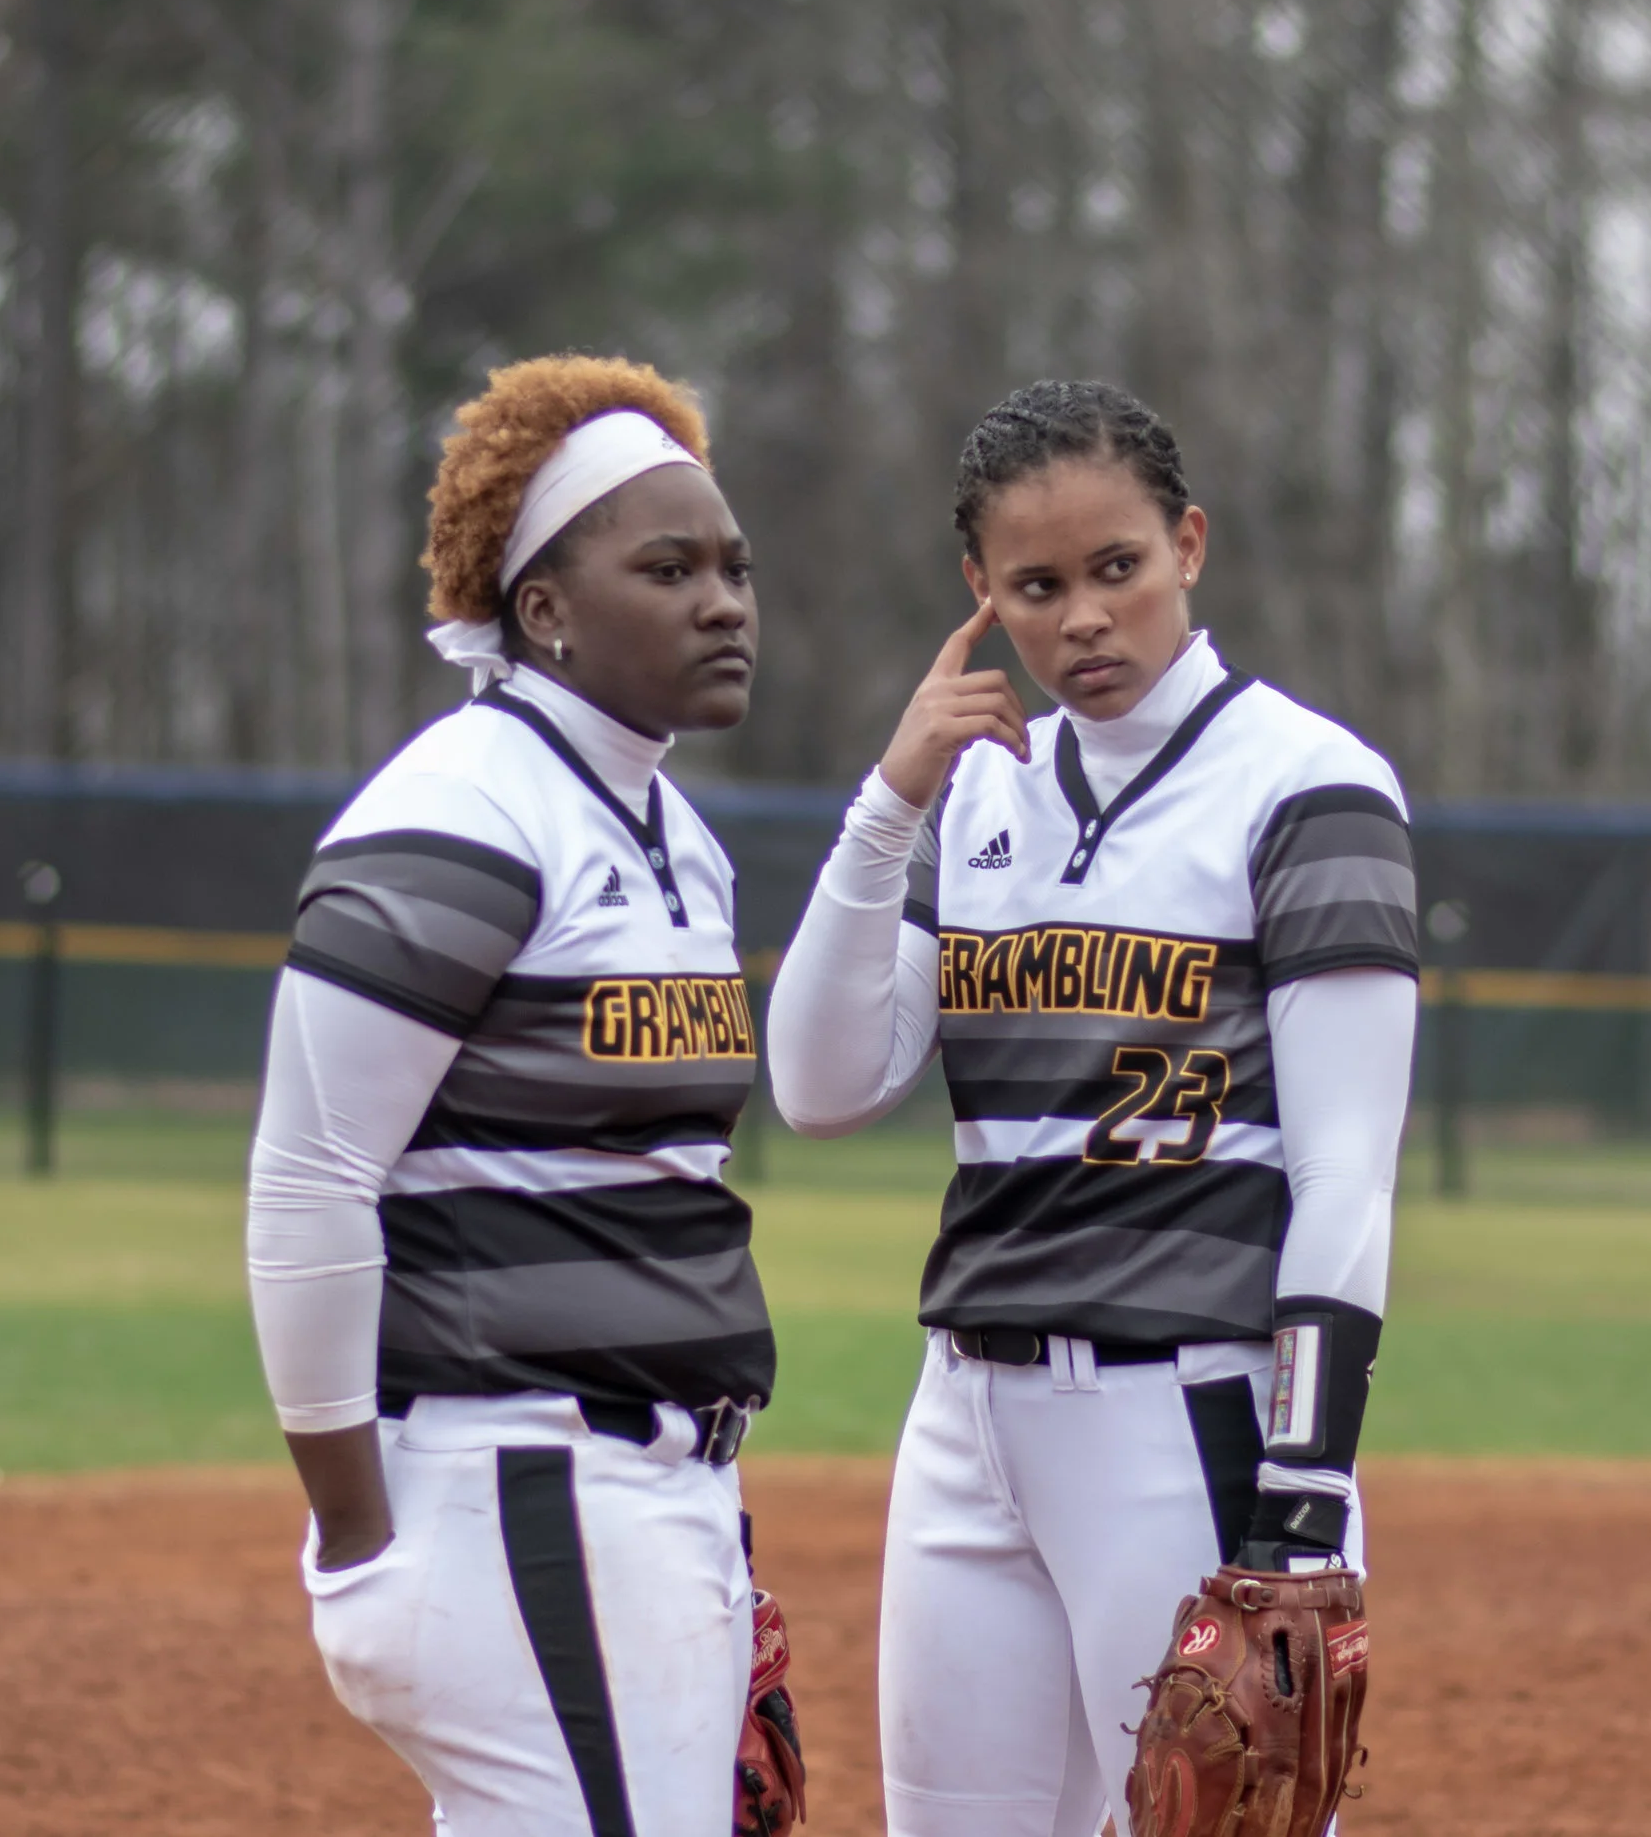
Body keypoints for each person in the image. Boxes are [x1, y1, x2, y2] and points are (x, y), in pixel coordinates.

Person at [766, 378, 1420, 1837]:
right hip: (966, 1421)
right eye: (1036, 584)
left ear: (1189, 543)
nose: (1082, 618)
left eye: (1117, 567)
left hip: (1186, 1412)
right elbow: (817, 1087)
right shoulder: (976, 794)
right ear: (978, 593)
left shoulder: (1309, 789)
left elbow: (1344, 1175)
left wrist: (1304, 1477)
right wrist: (888, 802)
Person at [245, 354, 778, 1835]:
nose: (723, 600)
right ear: (540, 610)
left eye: (734, 566)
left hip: (643, 1497)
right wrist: (356, 1529)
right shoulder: (461, 812)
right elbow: (307, 1178)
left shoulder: (675, 830)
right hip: (515, 1489)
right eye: (667, 567)